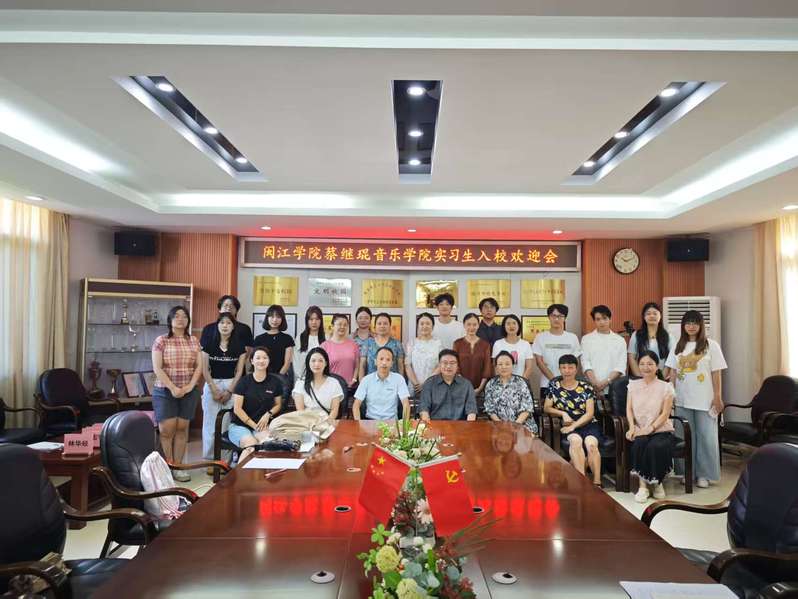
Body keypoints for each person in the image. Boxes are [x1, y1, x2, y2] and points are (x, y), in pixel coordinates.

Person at [665, 310, 727, 489]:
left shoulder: (711, 345)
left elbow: (716, 373)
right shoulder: (678, 346)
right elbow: (672, 373)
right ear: (683, 326)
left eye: (695, 323)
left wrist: (718, 397)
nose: (691, 326)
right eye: (688, 323)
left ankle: (704, 474)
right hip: (682, 400)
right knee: (684, 437)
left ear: (701, 325)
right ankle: (687, 473)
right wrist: (670, 396)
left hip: (705, 401)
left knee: (706, 437)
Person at [151, 306, 202, 482]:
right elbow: (157, 368)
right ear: (170, 320)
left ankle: (178, 467)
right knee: (166, 430)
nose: (180, 319)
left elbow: (199, 367)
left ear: (188, 320)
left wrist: (189, 386)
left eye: (184, 316)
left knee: (182, 428)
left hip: (189, 391)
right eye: (176, 316)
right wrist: (173, 387)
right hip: (165, 390)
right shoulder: (161, 340)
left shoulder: (194, 340)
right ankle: (167, 467)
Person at [544, 354, 602, 486]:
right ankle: (582, 481)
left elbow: (590, 413)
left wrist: (573, 426)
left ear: (576, 369)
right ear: (559, 369)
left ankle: (597, 482)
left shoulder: (586, 387)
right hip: (568, 423)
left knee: (592, 445)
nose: (567, 371)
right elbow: (546, 407)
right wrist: (563, 413)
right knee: (576, 442)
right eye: (563, 367)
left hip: (587, 423)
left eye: (570, 367)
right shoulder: (554, 386)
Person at [626, 351, 676, 502]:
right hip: (640, 429)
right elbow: (629, 409)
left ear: (657, 366)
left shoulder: (666, 387)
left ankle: (657, 482)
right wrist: (631, 427)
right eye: (642, 364)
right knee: (640, 443)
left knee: (655, 446)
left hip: (661, 429)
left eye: (650, 364)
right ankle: (643, 487)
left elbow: (665, 414)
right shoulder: (633, 385)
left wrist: (651, 428)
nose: (645, 367)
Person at [200, 312, 247, 470]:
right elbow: (204, 369)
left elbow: (239, 371)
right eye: (222, 323)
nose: (225, 326)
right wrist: (213, 389)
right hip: (212, 382)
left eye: (228, 323)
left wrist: (229, 391)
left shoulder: (239, 346)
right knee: (210, 425)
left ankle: (224, 462)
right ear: (217, 325)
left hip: (231, 384)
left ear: (233, 326)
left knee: (226, 426)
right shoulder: (209, 344)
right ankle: (210, 461)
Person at [227, 347, 283, 460]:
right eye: (258, 358)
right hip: (240, 425)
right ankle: (240, 472)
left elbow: (278, 404)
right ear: (252, 361)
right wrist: (253, 425)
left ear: (269, 360)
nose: (261, 361)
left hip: (261, 426)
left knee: (268, 445)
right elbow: (237, 409)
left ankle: (260, 472)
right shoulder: (244, 382)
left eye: (265, 358)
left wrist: (268, 414)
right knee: (251, 445)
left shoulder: (275, 382)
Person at [532, 304, 581, 400]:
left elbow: (576, 362)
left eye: (560, 316)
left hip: (569, 384)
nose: (556, 319)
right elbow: (539, 362)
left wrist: (566, 380)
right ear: (549, 317)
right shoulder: (540, 337)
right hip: (547, 383)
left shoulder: (572, 337)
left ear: (565, 318)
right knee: (547, 409)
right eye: (553, 316)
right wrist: (554, 380)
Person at [483, 351, 538, 435]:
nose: (503, 367)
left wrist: (514, 426)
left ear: (513, 365)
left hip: (522, 425)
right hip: (499, 427)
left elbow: (527, 408)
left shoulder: (521, 382)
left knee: (522, 441)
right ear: (496, 367)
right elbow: (490, 409)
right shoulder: (491, 384)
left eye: (507, 364)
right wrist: (501, 426)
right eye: (500, 364)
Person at [581, 305, 627, 396]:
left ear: (610, 319)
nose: (602, 322)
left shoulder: (620, 340)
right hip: (592, 386)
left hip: (614, 387)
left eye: (605, 318)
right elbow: (585, 363)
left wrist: (605, 382)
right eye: (598, 319)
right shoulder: (586, 339)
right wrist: (595, 383)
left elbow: (621, 366)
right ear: (594, 321)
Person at [419, 349, 477, 422]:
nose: (449, 366)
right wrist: (429, 426)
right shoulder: (429, 384)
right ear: (439, 365)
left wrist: (469, 427)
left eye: (452, 363)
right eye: (445, 363)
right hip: (435, 425)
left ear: (457, 366)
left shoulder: (466, 385)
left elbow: (471, 411)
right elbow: (424, 410)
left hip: (460, 426)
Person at [353, 347, 410, 421]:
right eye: (381, 359)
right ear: (375, 361)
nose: (384, 363)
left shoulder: (399, 379)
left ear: (392, 363)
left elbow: (406, 404)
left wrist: (404, 425)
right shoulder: (366, 380)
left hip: (392, 422)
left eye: (388, 360)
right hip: (370, 422)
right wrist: (358, 424)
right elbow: (356, 405)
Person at [292, 347, 344, 419]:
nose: (317, 364)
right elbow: (300, 411)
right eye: (313, 361)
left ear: (326, 363)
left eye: (320, 361)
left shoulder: (334, 383)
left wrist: (326, 423)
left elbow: (334, 411)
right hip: (306, 421)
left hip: (327, 422)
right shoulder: (300, 383)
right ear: (308, 363)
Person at [628, 302, 673, 378]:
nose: (652, 316)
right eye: (648, 314)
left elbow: (671, 359)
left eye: (655, 313)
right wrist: (639, 377)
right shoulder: (636, 335)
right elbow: (631, 357)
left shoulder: (669, 336)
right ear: (644, 317)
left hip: (661, 377)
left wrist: (661, 378)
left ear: (660, 316)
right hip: (641, 378)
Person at [453, 312, 492, 396]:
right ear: (464, 325)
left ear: (478, 325)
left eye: (474, 324)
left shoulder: (485, 345)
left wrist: (480, 389)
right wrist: (464, 387)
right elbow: (455, 367)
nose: (471, 327)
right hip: (460, 388)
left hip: (480, 390)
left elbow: (487, 369)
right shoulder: (457, 344)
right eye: (469, 324)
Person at [405, 312, 443, 397]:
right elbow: (407, 365)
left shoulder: (438, 343)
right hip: (414, 386)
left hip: (432, 385)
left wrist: (426, 384)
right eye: (421, 324)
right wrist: (416, 384)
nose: (424, 326)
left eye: (428, 323)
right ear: (418, 326)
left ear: (432, 326)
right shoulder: (412, 343)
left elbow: (440, 365)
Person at [253, 304, 294, 379]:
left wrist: (277, 378)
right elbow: (256, 361)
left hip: (281, 378)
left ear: (282, 319)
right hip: (262, 377)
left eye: (278, 317)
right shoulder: (259, 339)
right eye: (272, 316)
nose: (275, 320)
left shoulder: (287, 338)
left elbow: (287, 363)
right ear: (267, 318)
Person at [359, 312, 404, 379]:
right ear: (374, 327)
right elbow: (362, 365)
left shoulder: (397, 344)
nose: (382, 326)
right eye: (379, 323)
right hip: (371, 382)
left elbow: (400, 366)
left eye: (385, 323)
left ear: (390, 326)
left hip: (392, 382)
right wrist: (361, 383)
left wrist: (401, 382)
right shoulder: (368, 343)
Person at [320, 313, 360, 388]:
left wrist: (354, 380)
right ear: (332, 326)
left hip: (349, 387)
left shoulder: (354, 345)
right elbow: (321, 369)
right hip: (331, 387)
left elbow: (357, 366)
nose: (342, 327)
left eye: (345, 325)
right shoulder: (324, 346)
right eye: (339, 324)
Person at [491, 313, 534, 381]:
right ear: (504, 327)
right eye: (508, 324)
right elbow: (495, 367)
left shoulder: (525, 344)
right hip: (502, 383)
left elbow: (529, 367)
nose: (511, 326)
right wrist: (502, 382)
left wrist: (521, 382)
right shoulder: (498, 344)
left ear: (518, 326)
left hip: (521, 383)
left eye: (514, 323)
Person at [293, 306, 325, 380]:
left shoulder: (326, 337)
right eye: (311, 319)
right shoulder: (300, 338)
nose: (314, 322)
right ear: (307, 321)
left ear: (321, 321)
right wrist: (302, 377)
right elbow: (296, 361)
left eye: (317, 319)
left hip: (322, 378)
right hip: (303, 378)